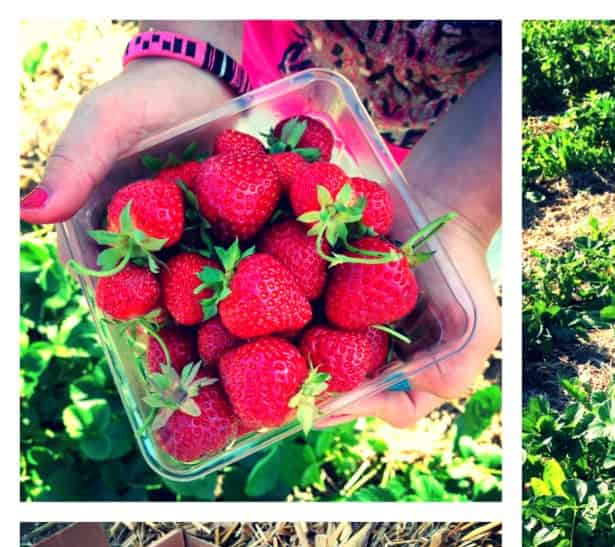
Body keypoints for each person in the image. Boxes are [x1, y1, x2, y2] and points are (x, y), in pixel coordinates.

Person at [19, 20, 501, 430]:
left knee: (340, 178)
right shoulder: (285, 211)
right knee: (305, 160)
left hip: (462, 131)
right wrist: (188, 52)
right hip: (281, 52)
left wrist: (463, 206)